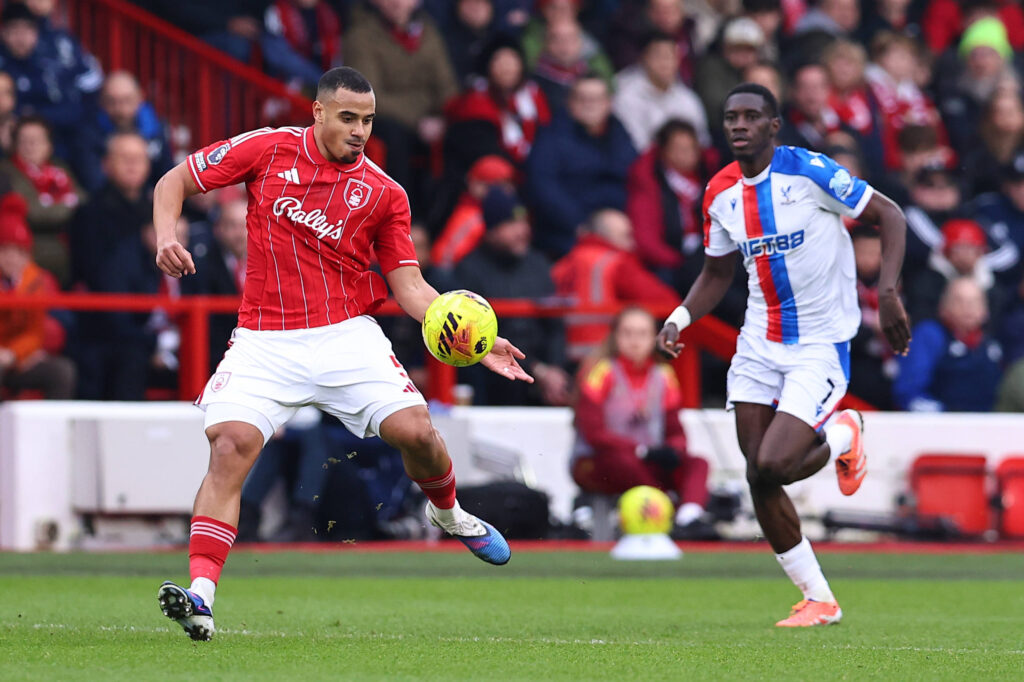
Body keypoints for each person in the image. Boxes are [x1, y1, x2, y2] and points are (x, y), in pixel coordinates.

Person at [152, 67, 531, 641]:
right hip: (265, 338)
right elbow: (172, 182)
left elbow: (409, 287)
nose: (359, 130)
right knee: (230, 447)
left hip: (345, 336)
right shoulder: (267, 149)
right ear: (319, 112)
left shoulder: (384, 193)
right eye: (349, 118)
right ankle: (200, 596)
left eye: (368, 120)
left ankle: (448, 513)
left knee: (419, 435)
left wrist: (474, 343)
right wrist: (166, 237)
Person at [657, 83, 911, 626]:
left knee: (775, 462)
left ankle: (844, 432)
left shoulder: (812, 172)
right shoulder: (719, 193)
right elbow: (717, 272)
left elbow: (890, 215)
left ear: (775, 126)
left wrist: (887, 293)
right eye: (731, 117)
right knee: (758, 475)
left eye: (751, 116)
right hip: (757, 343)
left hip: (819, 344)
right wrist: (680, 317)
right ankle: (819, 598)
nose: (739, 125)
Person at [571, 307, 711, 536]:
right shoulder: (601, 372)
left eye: (642, 334)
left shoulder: (663, 375)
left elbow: (676, 430)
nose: (635, 341)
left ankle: (689, 518)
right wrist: (641, 450)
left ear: (654, 339)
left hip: (648, 463)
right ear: (616, 337)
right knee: (624, 462)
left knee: (698, 463)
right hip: (599, 461)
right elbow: (594, 434)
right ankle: (664, 505)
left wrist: (673, 451)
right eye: (627, 333)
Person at [454, 185, 570, 406]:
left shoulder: (538, 264)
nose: (522, 230)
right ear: (491, 229)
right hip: (494, 381)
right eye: (511, 223)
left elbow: (555, 323)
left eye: (523, 221)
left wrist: (555, 369)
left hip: (543, 382)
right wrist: (540, 370)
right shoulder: (469, 270)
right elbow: (479, 335)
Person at [526, 75, 636, 259]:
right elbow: (543, 188)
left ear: (608, 103)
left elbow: (637, 177)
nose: (589, 105)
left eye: (596, 99)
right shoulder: (551, 137)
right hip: (571, 231)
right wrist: (582, 224)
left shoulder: (619, 132)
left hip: (623, 222)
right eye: (582, 99)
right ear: (570, 102)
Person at [552, 208, 678, 363]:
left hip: (561, 357)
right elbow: (667, 302)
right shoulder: (616, 263)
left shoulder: (562, 265)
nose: (632, 244)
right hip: (604, 357)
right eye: (626, 236)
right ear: (606, 237)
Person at [0, 191, 75, 399]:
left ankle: (54, 431)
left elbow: (35, 332)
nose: (11, 259)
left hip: (19, 358)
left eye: (19, 252)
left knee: (62, 371)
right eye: (5, 251)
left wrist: (15, 354)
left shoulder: (37, 281)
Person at [893, 277, 1002, 412]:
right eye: (959, 301)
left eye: (974, 302)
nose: (967, 308)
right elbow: (908, 393)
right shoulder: (930, 335)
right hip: (938, 425)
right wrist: (946, 417)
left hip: (988, 425)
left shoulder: (991, 344)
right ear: (944, 307)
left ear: (985, 311)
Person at [0, 115, 84, 284]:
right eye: (25, 141)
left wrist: (57, 206)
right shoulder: (6, 172)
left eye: (37, 140)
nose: (31, 146)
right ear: (15, 145)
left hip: (68, 258)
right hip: (30, 260)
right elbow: (34, 212)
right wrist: (68, 205)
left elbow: (83, 201)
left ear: (49, 145)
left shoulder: (60, 169)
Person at [74, 71, 175, 193]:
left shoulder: (156, 129)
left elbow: (167, 175)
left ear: (140, 97)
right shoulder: (88, 134)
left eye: (127, 100)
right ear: (101, 101)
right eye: (112, 101)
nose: (120, 109)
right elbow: (92, 180)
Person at [612, 31, 710, 152]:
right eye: (658, 56)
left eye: (670, 56)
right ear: (643, 59)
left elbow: (703, 142)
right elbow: (636, 146)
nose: (665, 63)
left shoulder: (687, 98)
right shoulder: (626, 96)